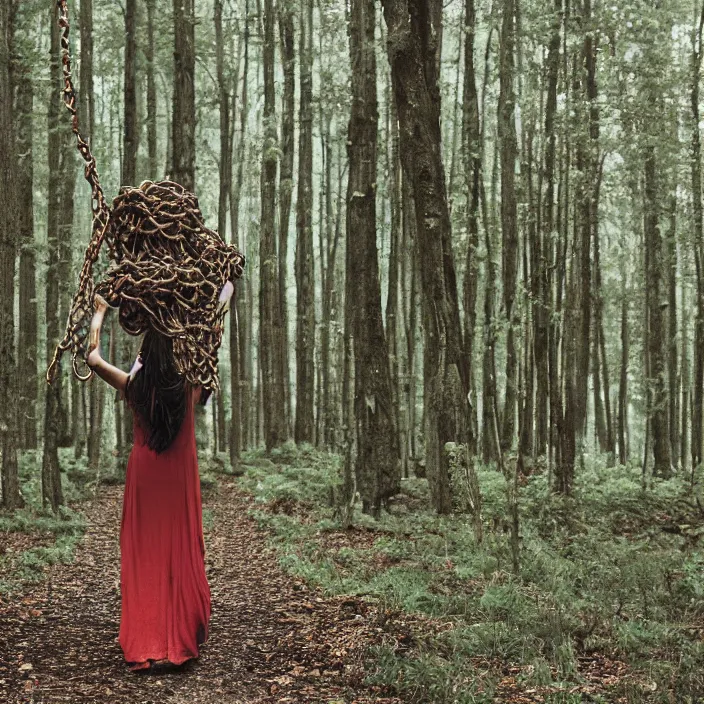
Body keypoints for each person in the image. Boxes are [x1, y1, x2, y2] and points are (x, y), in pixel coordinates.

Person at [85, 281, 234, 671]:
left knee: (144, 554)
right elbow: (210, 342)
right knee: (179, 550)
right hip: (179, 478)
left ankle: (143, 645)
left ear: (144, 357)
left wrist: (100, 313)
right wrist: (226, 290)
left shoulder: (133, 386)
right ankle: (179, 639)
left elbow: (93, 358)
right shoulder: (189, 385)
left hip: (145, 478)